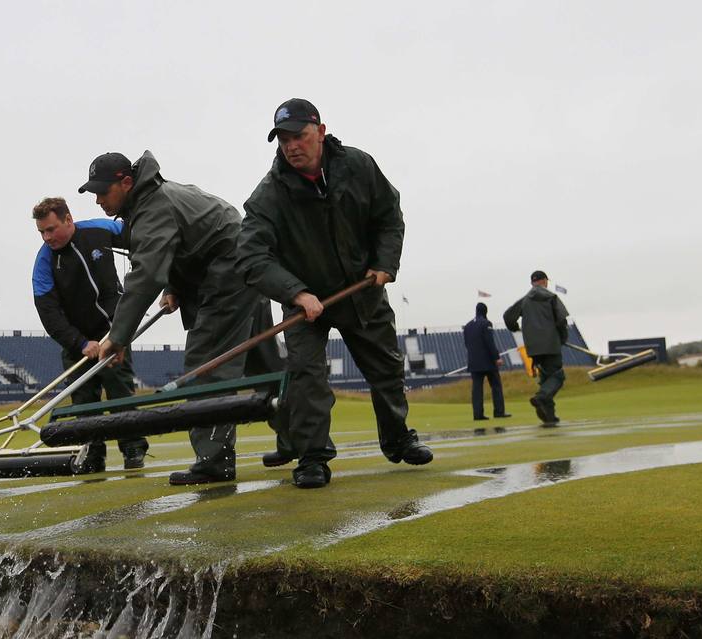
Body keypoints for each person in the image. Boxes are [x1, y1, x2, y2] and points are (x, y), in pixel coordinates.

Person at [237, 98, 432, 489]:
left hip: (362, 289)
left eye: (300, 136)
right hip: (304, 302)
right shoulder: (268, 195)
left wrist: (385, 264)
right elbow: (251, 257)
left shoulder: (358, 166)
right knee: (306, 379)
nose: (292, 146)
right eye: (284, 139)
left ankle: (397, 439)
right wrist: (296, 293)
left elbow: (389, 216)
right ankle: (312, 458)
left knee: (386, 370)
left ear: (320, 132)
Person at [85, 151, 291, 485]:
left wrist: (117, 336)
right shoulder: (153, 200)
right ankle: (302, 438)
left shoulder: (153, 206)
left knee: (205, 366)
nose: (97, 200)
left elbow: (146, 274)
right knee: (262, 364)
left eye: (102, 191)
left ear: (126, 183)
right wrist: (174, 286)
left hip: (230, 274)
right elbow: (181, 248)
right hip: (245, 269)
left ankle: (214, 461)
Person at [31, 196, 148, 471]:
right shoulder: (44, 263)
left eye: (51, 229)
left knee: (121, 392)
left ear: (68, 220)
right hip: (77, 341)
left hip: (113, 331)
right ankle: (93, 455)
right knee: (84, 404)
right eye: (41, 232)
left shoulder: (99, 230)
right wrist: (80, 343)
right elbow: (49, 314)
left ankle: (133, 449)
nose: (47, 237)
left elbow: (141, 236)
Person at [503, 270, 570, 427]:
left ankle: (550, 416)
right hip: (551, 344)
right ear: (545, 281)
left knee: (546, 377)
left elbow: (508, 317)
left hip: (533, 346)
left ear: (532, 282)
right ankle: (541, 397)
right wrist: (562, 338)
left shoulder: (525, 300)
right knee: (557, 377)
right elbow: (561, 320)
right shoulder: (552, 297)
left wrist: (516, 328)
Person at [463, 301, 510, 421]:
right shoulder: (486, 323)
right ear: (485, 311)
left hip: (474, 362)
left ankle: (478, 414)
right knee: (496, 386)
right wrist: (497, 357)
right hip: (488, 362)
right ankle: (499, 412)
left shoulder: (467, 326)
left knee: (477, 389)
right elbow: (490, 342)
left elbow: (467, 344)